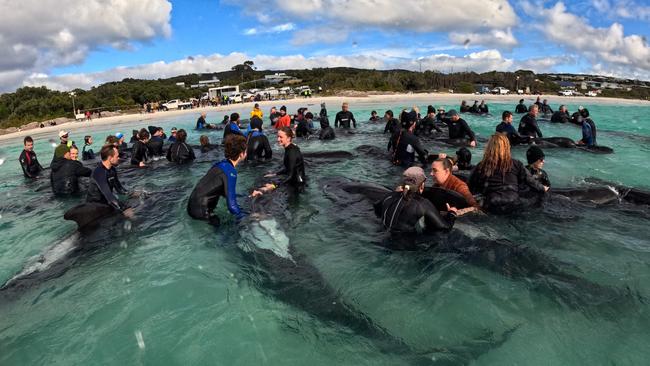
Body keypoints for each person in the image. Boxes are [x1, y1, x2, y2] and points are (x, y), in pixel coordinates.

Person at [468, 134, 548, 214]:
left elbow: (470, 187)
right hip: (513, 204)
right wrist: (543, 188)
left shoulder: (481, 166)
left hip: (492, 205)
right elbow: (531, 182)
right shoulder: (517, 164)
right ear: (507, 147)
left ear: (489, 148)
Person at [374, 167, 457, 234]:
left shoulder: (389, 196)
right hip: (406, 249)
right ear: (422, 186)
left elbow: (377, 209)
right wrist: (452, 214)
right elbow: (445, 228)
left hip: (383, 238)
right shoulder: (423, 204)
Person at [187, 134, 248, 225]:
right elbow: (232, 206)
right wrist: (247, 217)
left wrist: (245, 196)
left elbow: (223, 191)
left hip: (191, 206)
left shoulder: (220, 164)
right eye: (246, 151)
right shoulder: (231, 172)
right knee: (230, 230)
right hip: (201, 212)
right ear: (241, 154)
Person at [86, 145, 131, 218]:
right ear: (110, 158)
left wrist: (133, 193)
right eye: (117, 156)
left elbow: (120, 189)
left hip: (106, 204)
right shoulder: (99, 172)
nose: (119, 158)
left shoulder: (112, 170)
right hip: (95, 208)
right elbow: (109, 197)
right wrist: (125, 209)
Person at [264, 127, 306, 193]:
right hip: (294, 181)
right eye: (278, 136)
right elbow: (289, 168)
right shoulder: (289, 148)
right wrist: (275, 174)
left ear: (288, 138)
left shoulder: (292, 152)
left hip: (297, 185)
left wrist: (275, 185)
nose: (278, 139)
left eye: (281, 137)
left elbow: (291, 175)